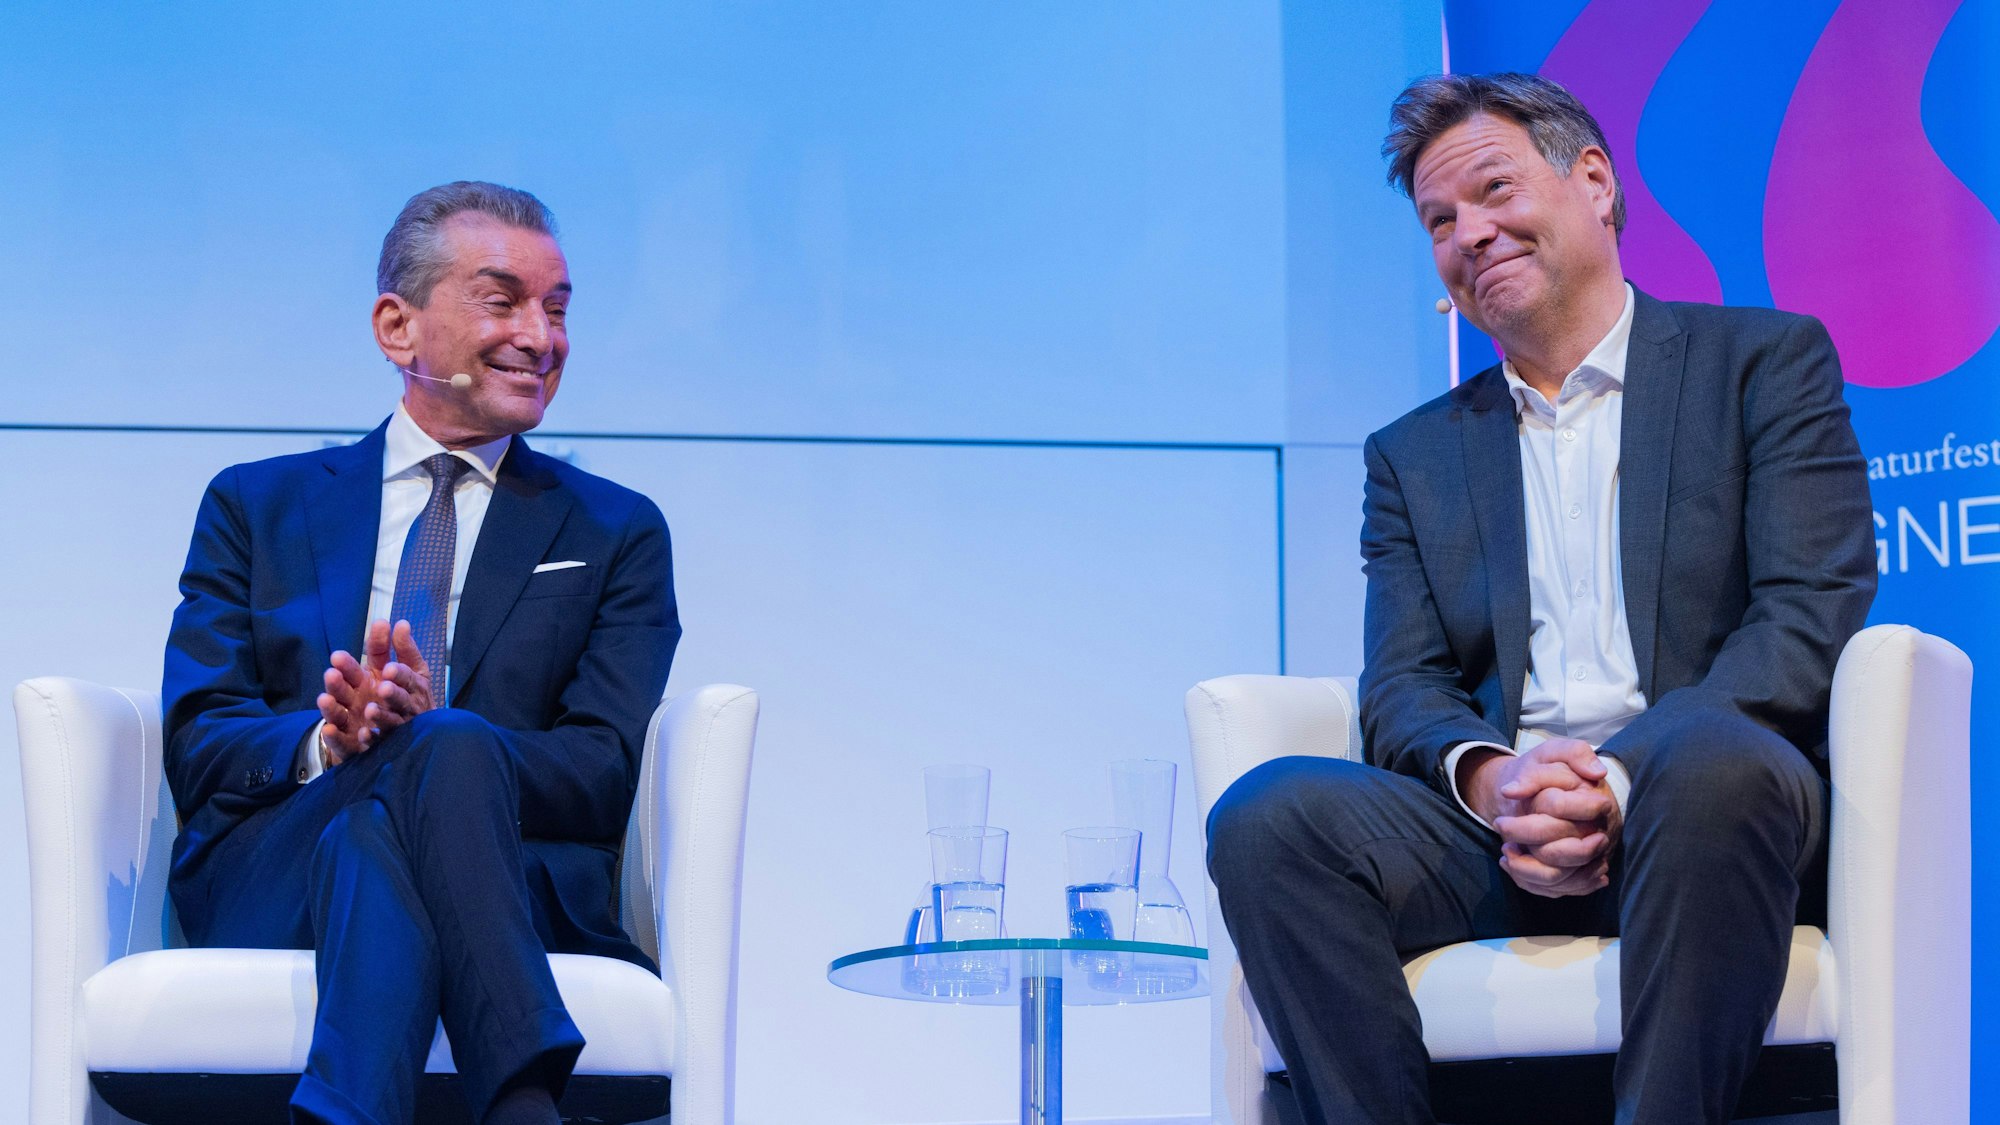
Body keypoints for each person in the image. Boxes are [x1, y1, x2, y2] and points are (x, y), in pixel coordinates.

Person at [1206, 73, 1876, 1125]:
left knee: (1709, 767)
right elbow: (1405, 686)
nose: (1469, 233)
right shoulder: (1413, 454)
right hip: (1499, 835)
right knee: (1267, 816)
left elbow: (1803, 614)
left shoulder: (1759, 363)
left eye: (1491, 190)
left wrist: (1611, 778)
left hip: (1702, 813)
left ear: (1594, 183)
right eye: (1438, 220)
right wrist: (1495, 782)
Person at [162, 181, 680, 1125]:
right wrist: (330, 740)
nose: (542, 336)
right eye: (504, 300)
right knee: (376, 800)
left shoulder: (616, 530)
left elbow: (602, 768)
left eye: (558, 310)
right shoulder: (255, 505)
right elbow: (200, 739)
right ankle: (523, 1097)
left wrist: (426, 740)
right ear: (397, 328)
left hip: (509, 872)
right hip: (277, 864)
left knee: (416, 783)